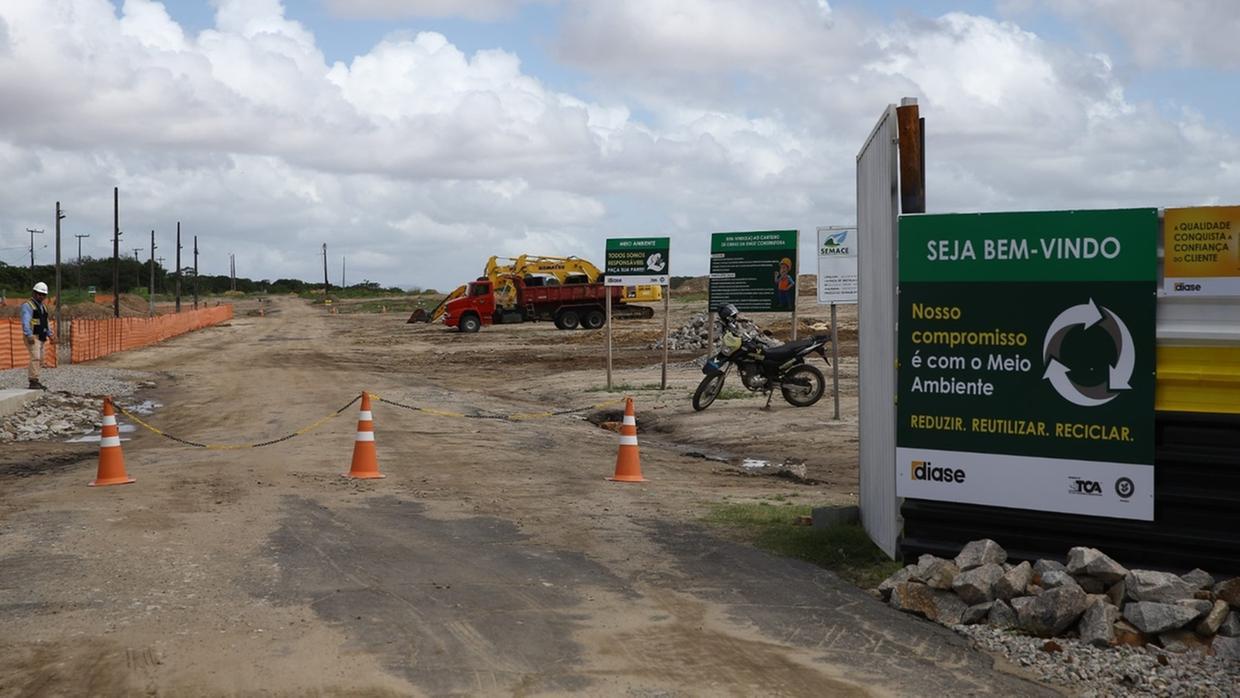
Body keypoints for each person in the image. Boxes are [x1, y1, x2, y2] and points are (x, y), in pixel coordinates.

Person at [20, 282, 54, 390]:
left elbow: (45, 322)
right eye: (39, 294)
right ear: (34, 293)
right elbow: (26, 321)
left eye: (43, 294)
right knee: (36, 357)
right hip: (33, 336)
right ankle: (33, 381)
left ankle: (36, 380)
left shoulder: (43, 307)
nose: (41, 296)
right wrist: (29, 335)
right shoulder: (28, 306)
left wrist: (50, 334)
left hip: (41, 336)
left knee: (40, 359)